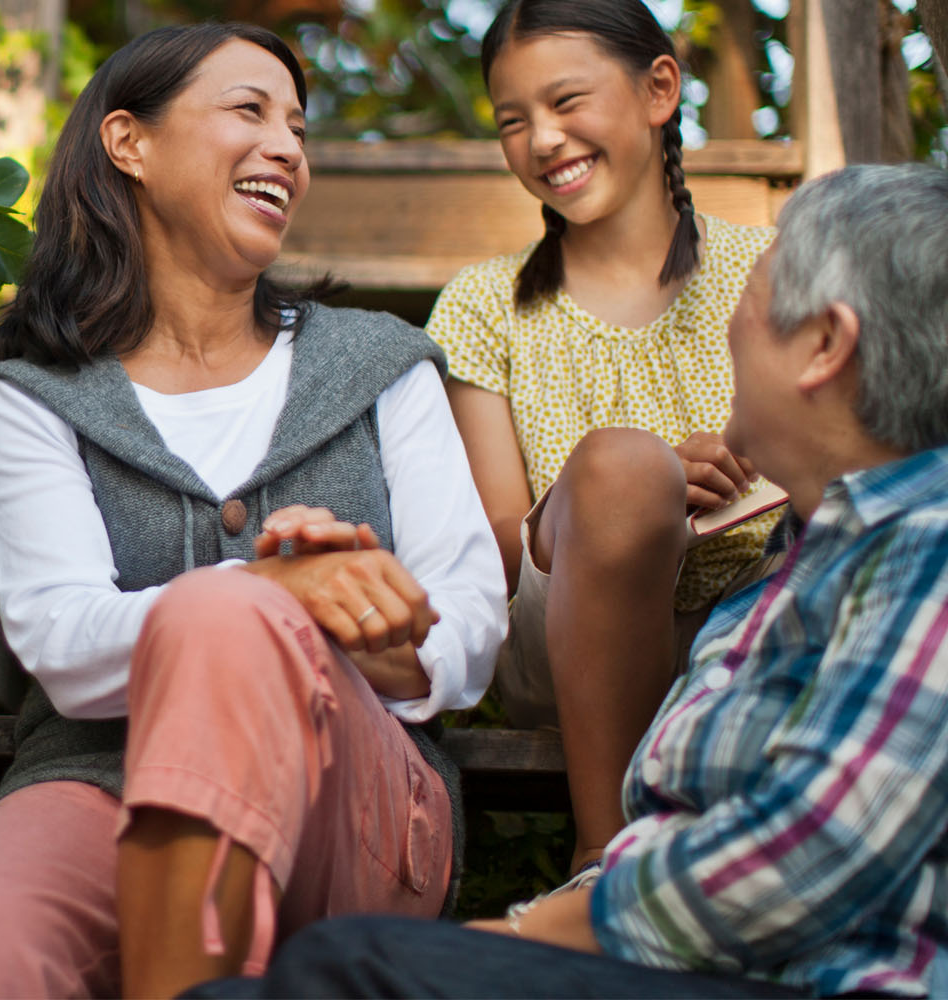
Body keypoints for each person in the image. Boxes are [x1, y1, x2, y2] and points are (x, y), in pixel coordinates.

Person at [188, 162, 948, 999]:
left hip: (817, 978)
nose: (731, 324)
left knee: (346, 967)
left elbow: (814, 851)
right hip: (703, 952)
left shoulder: (926, 547)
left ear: (825, 346)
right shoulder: (807, 559)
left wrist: (534, 931)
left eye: (756, 299)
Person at [0, 22, 507, 1000]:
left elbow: (467, 620)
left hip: (357, 796)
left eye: (297, 127)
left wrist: (374, 631)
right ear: (130, 143)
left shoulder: (381, 365)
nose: (288, 147)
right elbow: (60, 640)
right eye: (249, 111)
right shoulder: (38, 396)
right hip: (96, 777)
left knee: (230, 616)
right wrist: (272, 590)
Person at [426, 0, 782, 877]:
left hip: (760, 612)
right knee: (624, 468)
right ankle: (606, 858)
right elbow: (498, 553)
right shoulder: (483, 306)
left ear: (660, 88)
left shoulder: (776, 266)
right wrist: (628, 490)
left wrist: (736, 478)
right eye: (514, 122)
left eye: (566, 102)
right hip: (565, 642)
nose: (543, 139)